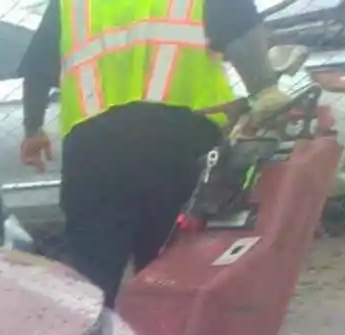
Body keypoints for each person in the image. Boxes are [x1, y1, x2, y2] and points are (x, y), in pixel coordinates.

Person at [19, 0, 288, 306]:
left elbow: (38, 66)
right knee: (173, 264)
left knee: (94, 270)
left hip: (95, 147)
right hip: (179, 138)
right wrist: (264, 89)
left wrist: (33, 129)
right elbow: (240, 29)